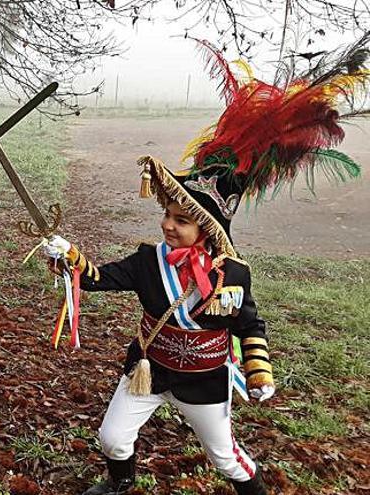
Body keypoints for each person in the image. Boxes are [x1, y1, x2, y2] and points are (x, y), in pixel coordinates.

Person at [43, 40, 368, 495]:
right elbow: (96, 279)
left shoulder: (234, 274)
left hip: (205, 381)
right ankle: (120, 482)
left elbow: (250, 324)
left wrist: (259, 372)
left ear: (210, 229)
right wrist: (68, 256)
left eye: (182, 220)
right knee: (112, 439)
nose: (168, 225)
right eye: (168, 216)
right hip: (149, 370)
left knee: (226, 459)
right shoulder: (147, 261)